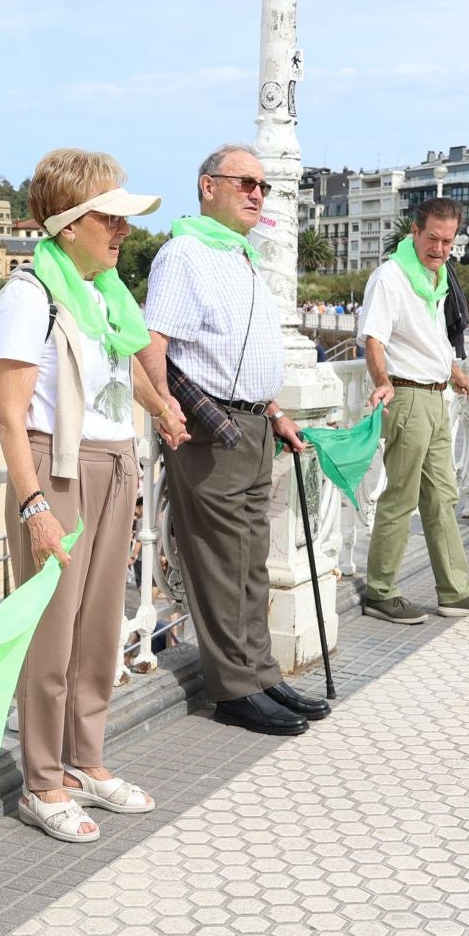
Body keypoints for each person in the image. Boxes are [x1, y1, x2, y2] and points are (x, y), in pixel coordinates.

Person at [0, 148, 178, 844]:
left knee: (99, 624)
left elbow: (119, 370)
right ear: (69, 225)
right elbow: (10, 413)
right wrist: (35, 504)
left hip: (113, 461)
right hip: (58, 466)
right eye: (112, 219)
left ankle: (86, 761)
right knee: (51, 629)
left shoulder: (103, 297)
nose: (123, 232)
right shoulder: (28, 297)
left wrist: (159, 407)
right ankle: (43, 779)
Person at [134, 143, 331, 735]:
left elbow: (241, 352)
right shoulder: (184, 254)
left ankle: (262, 673)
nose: (256, 193)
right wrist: (167, 410)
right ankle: (236, 689)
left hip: (251, 423)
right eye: (244, 181)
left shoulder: (238, 254)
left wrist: (273, 411)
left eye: (262, 185)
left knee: (249, 561)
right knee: (221, 562)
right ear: (207, 186)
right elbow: (152, 342)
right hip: (208, 426)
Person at [353, 196, 469, 618]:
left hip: (435, 395)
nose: (440, 248)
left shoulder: (432, 278)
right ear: (415, 233)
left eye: (448, 240)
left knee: (442, 496)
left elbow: (433, 336)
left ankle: (455, 590)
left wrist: (454, 367)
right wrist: (383, 383)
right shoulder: (391, 277)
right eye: (433, 238)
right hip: (406, 396)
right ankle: (381, 592)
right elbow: (373, 338)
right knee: (400, 497)